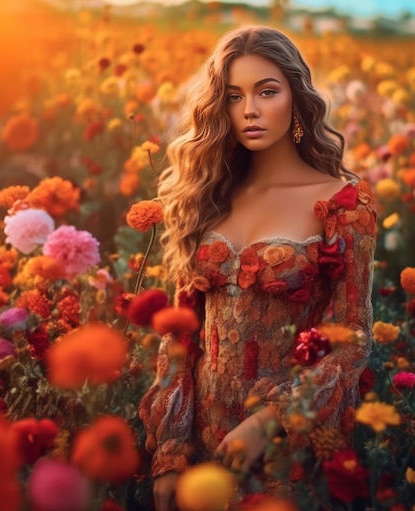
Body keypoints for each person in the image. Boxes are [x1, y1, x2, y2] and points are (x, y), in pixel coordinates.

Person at [138, 25, 376, 511]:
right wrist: (169, 450)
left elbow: (353, 336)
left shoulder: (343, 202)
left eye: (266, 92)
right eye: (233, 96)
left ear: (296, 96)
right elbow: (182, 335)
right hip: (202, 443)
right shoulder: (208, 196)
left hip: (290, 443)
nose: (249, 109)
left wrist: (271, 421)